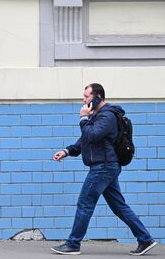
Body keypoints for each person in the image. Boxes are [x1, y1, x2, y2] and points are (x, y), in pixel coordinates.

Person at [50, 83, 157, 256]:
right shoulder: (99, 115)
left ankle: (73, 244)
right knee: (119, 206)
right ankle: (145, 239)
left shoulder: (107, 116)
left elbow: (91, 135)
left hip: (103, 168)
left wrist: (83, 118)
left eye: (87, 96)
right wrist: (67, 151)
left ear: (98, 96)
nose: (84, 100)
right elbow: (86, 139)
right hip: (106, 167)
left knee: (85, 203)